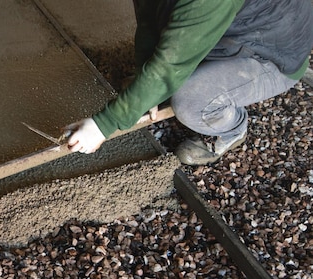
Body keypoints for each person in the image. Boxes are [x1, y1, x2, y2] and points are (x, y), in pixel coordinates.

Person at [65, 0, 313, 165]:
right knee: (166, 64)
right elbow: (149, 19)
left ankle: (233, 130)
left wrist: (104, 125)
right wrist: (143, 74)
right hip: (236, 25)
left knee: (191, 99)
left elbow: (170, 66)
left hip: (272, 53)